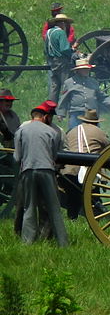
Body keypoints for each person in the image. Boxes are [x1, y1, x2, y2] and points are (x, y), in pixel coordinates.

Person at [14, 101, 69, 247]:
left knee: (29, 207)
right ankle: (63, 242)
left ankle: (27, 242)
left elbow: (17, 157)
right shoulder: (52, 132)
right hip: (47, 171)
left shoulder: (21, 131)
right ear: (44, 117)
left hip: (28, 171)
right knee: (54, 208)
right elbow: (54, 156)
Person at [61, 109, 109, 219]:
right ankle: (97, 219)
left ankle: (72, 218)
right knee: (94, 197)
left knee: (72, 198)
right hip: (88, 171)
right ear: (96, 122)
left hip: (69, 170)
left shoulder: (72, 131)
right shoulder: (98, 132)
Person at [57, 58, 110, 130]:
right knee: (73, 131)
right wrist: (61, 113)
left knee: (95, 131)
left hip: (91, 112)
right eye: (84, 69)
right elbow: (64, 99)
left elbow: (101, 95)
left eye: (87, 69)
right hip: (76, 112)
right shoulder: (69, 83)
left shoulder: (93, 82)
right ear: (78, 70)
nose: (86, 70)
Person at [44, 13, 76, 102]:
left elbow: (45, 49)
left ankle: (51, 108)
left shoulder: (49, 32)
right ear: (62, 23)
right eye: (65, 23)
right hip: (61, 62)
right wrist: (72, 51)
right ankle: (65, 108)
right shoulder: (61, 33)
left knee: (54, 86)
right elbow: (64, 49)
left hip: (51, 61)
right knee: (66, 85)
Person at [0, 89, 21, 195]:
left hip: (12, 149)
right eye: (7, 101)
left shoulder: (13, 115)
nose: (10, 104)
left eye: (11, 101)